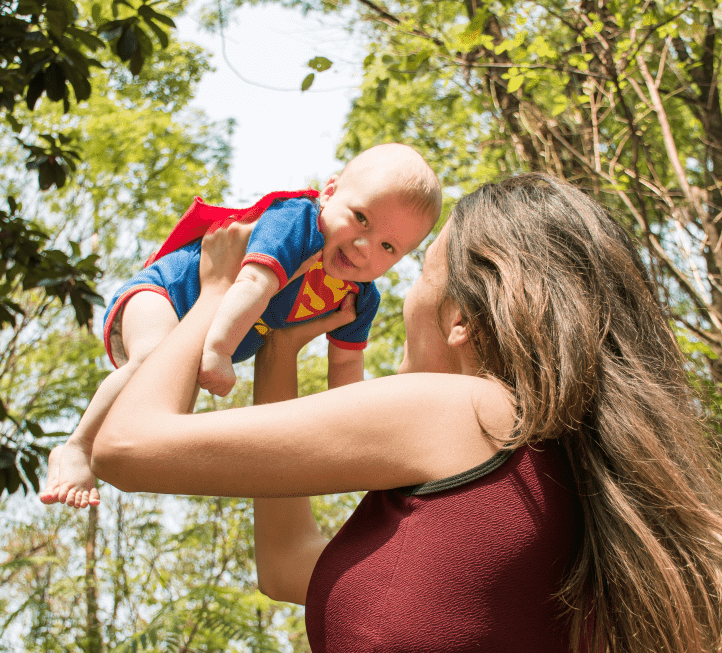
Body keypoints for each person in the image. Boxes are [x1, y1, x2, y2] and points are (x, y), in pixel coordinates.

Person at [91, 173, 722, 653]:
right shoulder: (567, 485)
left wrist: (215, 292)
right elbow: (287, 565)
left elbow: (126, 447)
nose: (404, 295)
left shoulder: (468, 413)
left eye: (420, 272)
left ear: (461, 318)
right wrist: (282, 351)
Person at [41, 143, 442, 508]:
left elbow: (346, 369)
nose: (364, 246)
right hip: (166, 293)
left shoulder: (359, 297)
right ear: (330, 192)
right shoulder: (297, 224)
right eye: (361, 219)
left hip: (200, 333)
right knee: (150, 356)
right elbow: (253, 282)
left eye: (389, 247)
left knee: (165, 417)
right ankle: (77, 446)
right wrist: (219, 349)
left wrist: (360, 436)